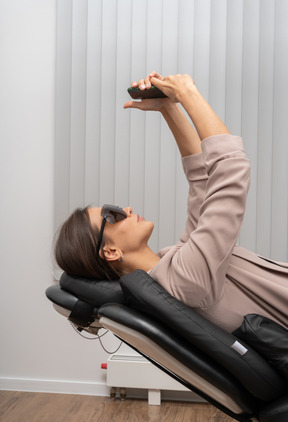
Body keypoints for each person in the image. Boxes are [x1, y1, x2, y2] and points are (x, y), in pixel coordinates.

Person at [55, 72, 288, 333]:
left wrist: (169, 108)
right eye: (112, 214)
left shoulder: (172, 267)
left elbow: (202, 180)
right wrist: (187, 92)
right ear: (111, 252)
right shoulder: (184, 281)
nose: (126, 209)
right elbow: (231, 171)